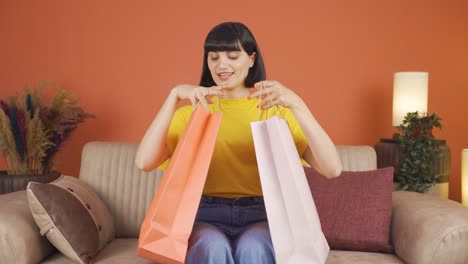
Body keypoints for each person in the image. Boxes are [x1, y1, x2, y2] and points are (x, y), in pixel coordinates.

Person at [135, 22, 342, 264]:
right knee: (211, 248)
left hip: (264, 214)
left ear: (252, 59)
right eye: (214, 57)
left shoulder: (274, 111)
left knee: (253, 248)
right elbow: (143, 162)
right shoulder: (194, 113)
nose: (222, 65)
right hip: (205, 214)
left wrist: (297, 104)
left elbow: (332, 168)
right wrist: (173, 96)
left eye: (232, 56)